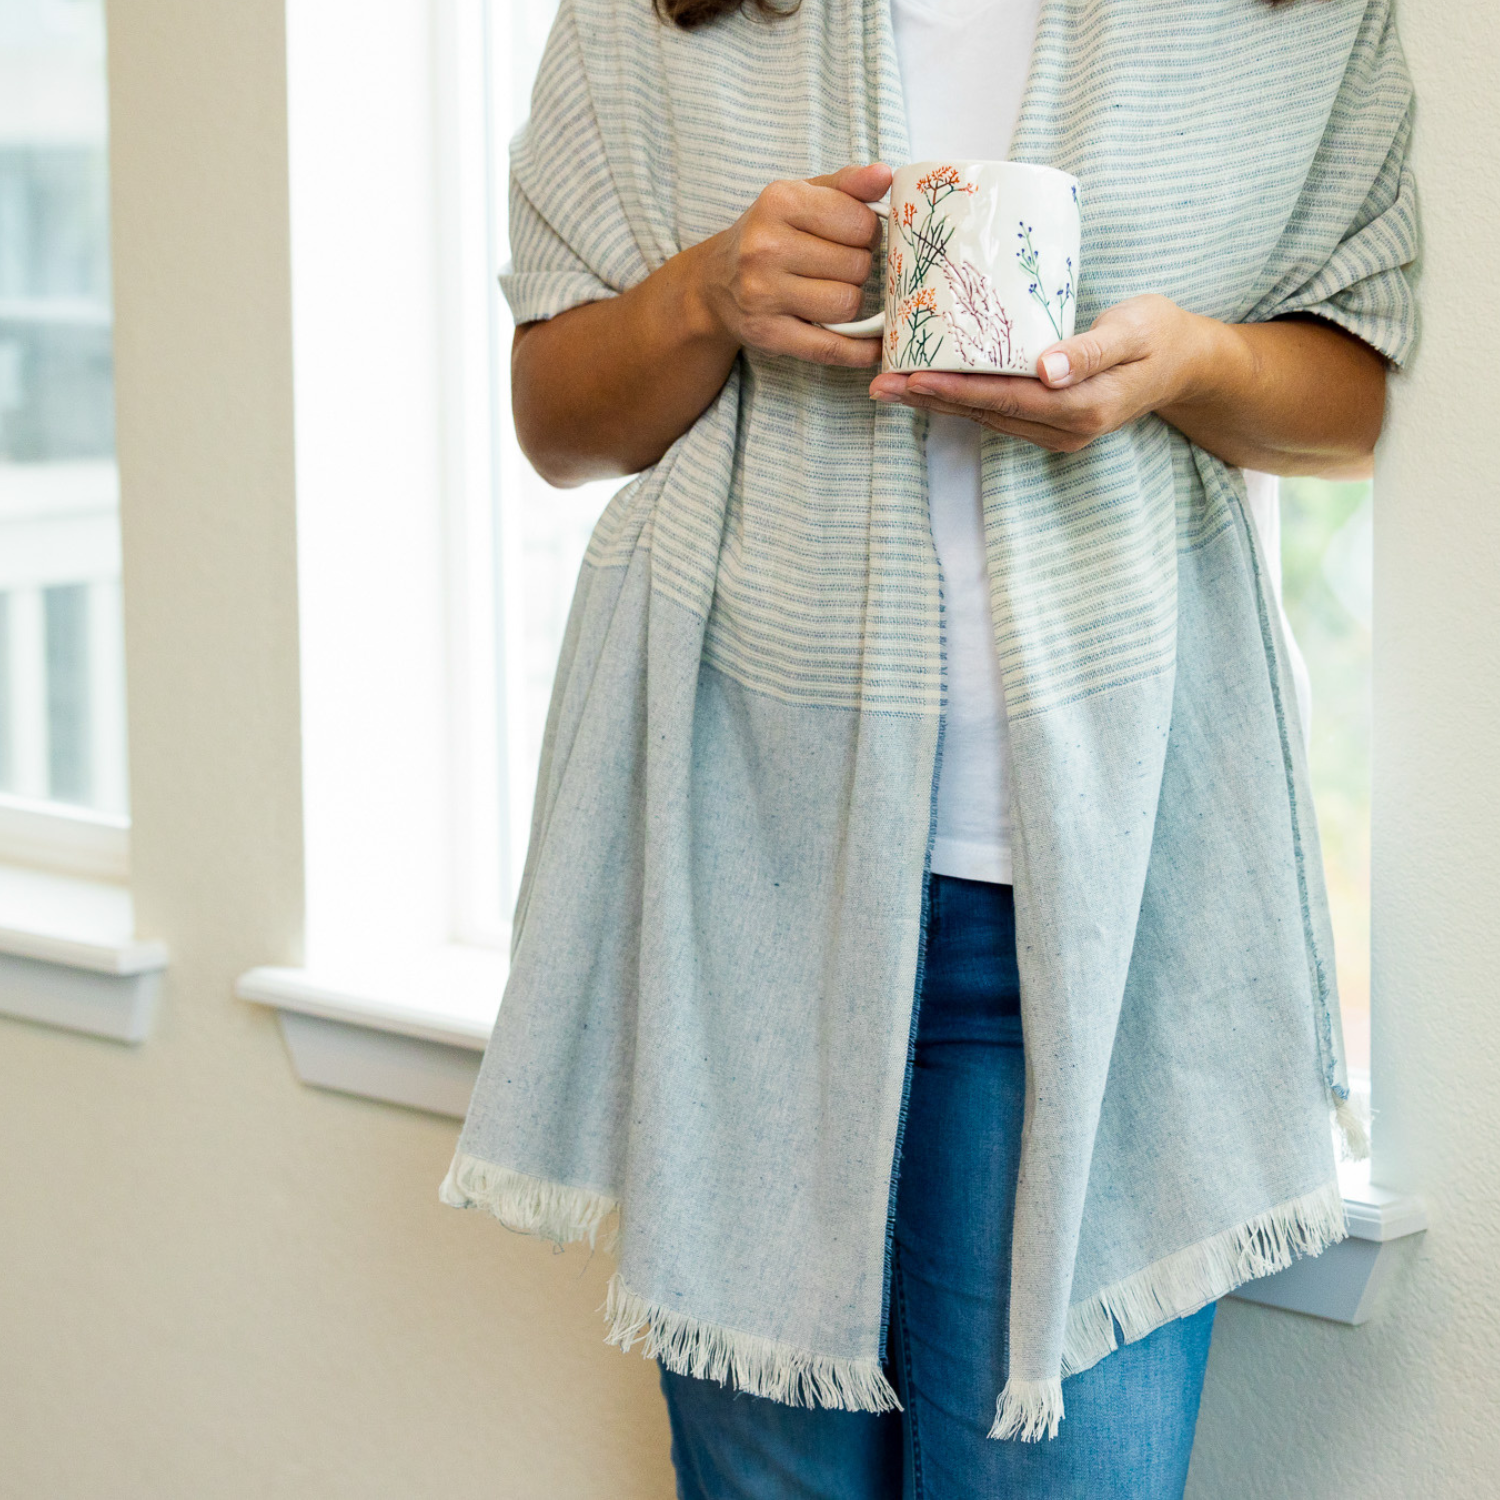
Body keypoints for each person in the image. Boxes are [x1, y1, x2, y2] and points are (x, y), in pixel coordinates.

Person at [442, 1, 1417, 1495]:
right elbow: (561, 424)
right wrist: (710, 291)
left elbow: (1352, 392)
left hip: (1099, 913)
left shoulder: (1288, 22)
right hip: (745, 900)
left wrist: (1187, 366)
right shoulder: (661, 22)